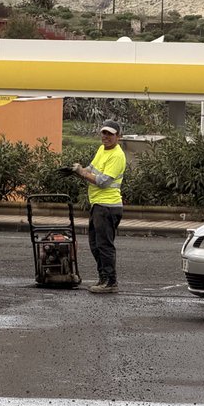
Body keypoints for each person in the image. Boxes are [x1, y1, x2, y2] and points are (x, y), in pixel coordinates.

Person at [72, 120, 126, 294]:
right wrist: (79, 169)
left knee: (104, 245)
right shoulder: (102, 150)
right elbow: (91, 169)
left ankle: (111, 282)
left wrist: (82, 173)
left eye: (110, 134)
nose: (106, 137)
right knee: (95, 244)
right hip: (98, 205)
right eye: (104, 133)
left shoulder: (117, 156)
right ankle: (103, 278)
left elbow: (103, 182)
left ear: (118, 136)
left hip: (108, 206)